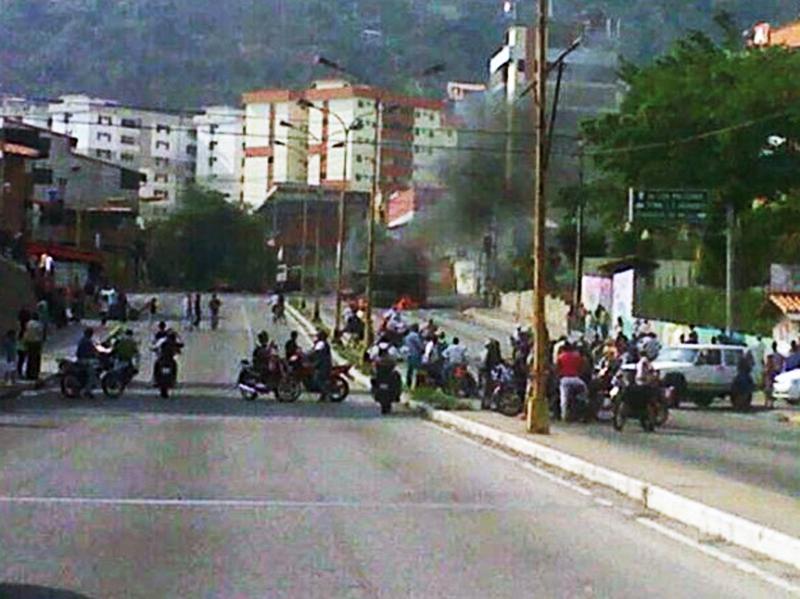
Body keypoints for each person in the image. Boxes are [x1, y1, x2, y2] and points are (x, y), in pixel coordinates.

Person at [555, 342, 587, 421]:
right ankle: (582, 414)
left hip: (565, 380)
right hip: (577, 379)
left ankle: (564, 415)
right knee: (584, 394)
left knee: (564, 399)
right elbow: (582, 367)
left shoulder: (560, 357)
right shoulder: (577, 356)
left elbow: (557, 368)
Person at [76, 327, 100, 398]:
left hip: (81, 359)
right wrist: (96, 354)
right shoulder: (88, 342)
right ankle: (88, 390)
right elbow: (93, 351)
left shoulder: (83, 340)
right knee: (92, 374)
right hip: (85, 360)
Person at [311, 330, 333, 401]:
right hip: (322, 364)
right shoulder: (321, 343)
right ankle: (323, 395)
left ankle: (326, 393)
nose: (317, 337)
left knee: (317, 378)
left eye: (319, 336)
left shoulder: (322, 344)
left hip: (323, 365)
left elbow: (315, 353)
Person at [22, 314, 44, 381]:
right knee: (36, 358)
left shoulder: (28, 324)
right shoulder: (39, 324)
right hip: (36, 343)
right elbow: (41, 333)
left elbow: (25, 332)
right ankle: (35, 374)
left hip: (29, 343)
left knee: (30, 358)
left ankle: (28, 374)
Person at [402, 324, 424, 389]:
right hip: (415, 355)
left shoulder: (407, 336)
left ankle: (408, 384)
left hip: (408, 354)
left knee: (409, 370)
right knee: (417, 370)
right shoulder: (415, 335)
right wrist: (423, 349)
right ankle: (416, 386)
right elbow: (419, 345)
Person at [764, 342, 785, 408]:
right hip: (776, 373)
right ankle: (770, 403)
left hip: (771, 373)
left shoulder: (770, 356)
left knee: (768, 389)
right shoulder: (779, 355)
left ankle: (768, 403)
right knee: (772, 389)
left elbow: (767, 365)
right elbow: (783, 363)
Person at [16, 306, 31, 377]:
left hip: (20, 343)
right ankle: (20, 372)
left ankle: (19, 372)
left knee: (21, 359)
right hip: (24, 343)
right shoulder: (27, 325)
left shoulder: (18, 324)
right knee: (23, 358)